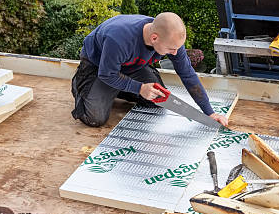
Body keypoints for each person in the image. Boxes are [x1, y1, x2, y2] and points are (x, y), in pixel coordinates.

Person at [71, 12, 229, 128]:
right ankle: (82, 86)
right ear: (154, 38)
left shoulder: (171, 39)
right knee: (95, 118)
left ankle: (117, 89)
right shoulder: (119, 39)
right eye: (171, 49)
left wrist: (209, 113)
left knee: (159, 100)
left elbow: (187, 74)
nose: (175, 53)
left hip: (131, 66)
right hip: (99, 67)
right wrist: (139, 87)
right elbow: (107, 74)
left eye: (177, 48)